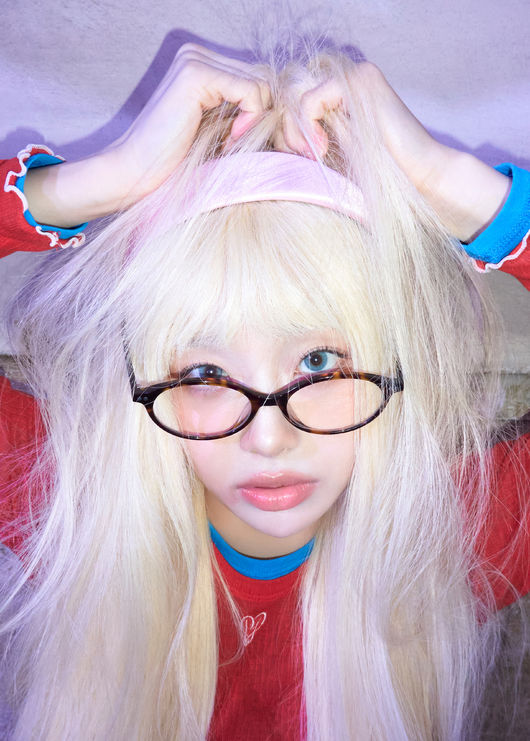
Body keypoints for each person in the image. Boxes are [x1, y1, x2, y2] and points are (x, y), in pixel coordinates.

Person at [0, 38, 528, 741]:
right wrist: (92, 184)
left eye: (319, 362)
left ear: (394, 357)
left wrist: (457, 187)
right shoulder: (68, 506)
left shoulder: (455, 532)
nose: (269, 438)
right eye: (206, 376)